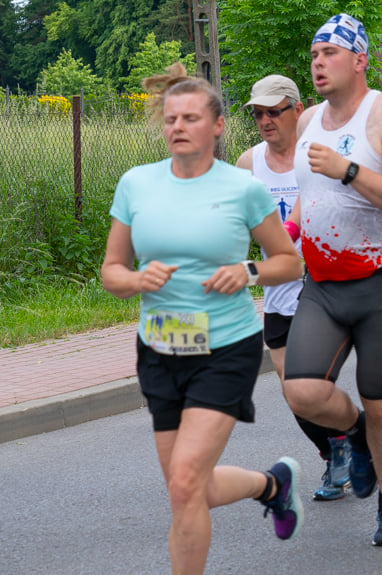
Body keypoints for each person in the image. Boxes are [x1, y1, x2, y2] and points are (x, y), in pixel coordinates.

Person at [100, 64, 304, 574]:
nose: (177, 126)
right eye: (171, 118)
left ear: (216, 126)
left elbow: (288, 261)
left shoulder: (243, 188)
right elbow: (111, 271)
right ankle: (272, 484)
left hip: (225, 348)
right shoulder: (136, 184)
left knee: (187, 481)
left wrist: (247, 269)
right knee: (186, 487)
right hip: (160, 349)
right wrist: (136, 281)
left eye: (190, 117)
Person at [282, 13, 382, 546]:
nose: (318, 62)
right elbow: (307, 189)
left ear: (359, 59)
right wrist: (289, 229)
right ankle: (359, 437)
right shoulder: (307, 122)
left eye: (330, 53)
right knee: (300, 389)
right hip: (322, 283)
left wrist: (348, 170)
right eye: (314, 54)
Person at [236, 74, 351, 502]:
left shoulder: (316, 156)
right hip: (280, 294)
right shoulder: (249, 164)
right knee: (295, 394)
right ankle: (335, 448)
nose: (265, 121)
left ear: (297, 110)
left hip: (325, 286)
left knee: (313, 382)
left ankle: (352, 437)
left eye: (273, 112)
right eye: (258, 114)